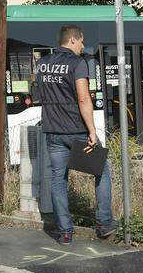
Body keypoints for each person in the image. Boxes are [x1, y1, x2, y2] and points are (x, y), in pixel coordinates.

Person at [36, 24, 115, 245]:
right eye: (81, 42)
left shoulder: (41, 64)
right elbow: (83, 98)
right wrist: (92, 131)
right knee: (102, 171)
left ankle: (65, 232)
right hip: (77, 131)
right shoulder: (77, 64)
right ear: (72, 40)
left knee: (58, 181)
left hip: (52, 132)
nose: (82, 46)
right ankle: (104, 223)